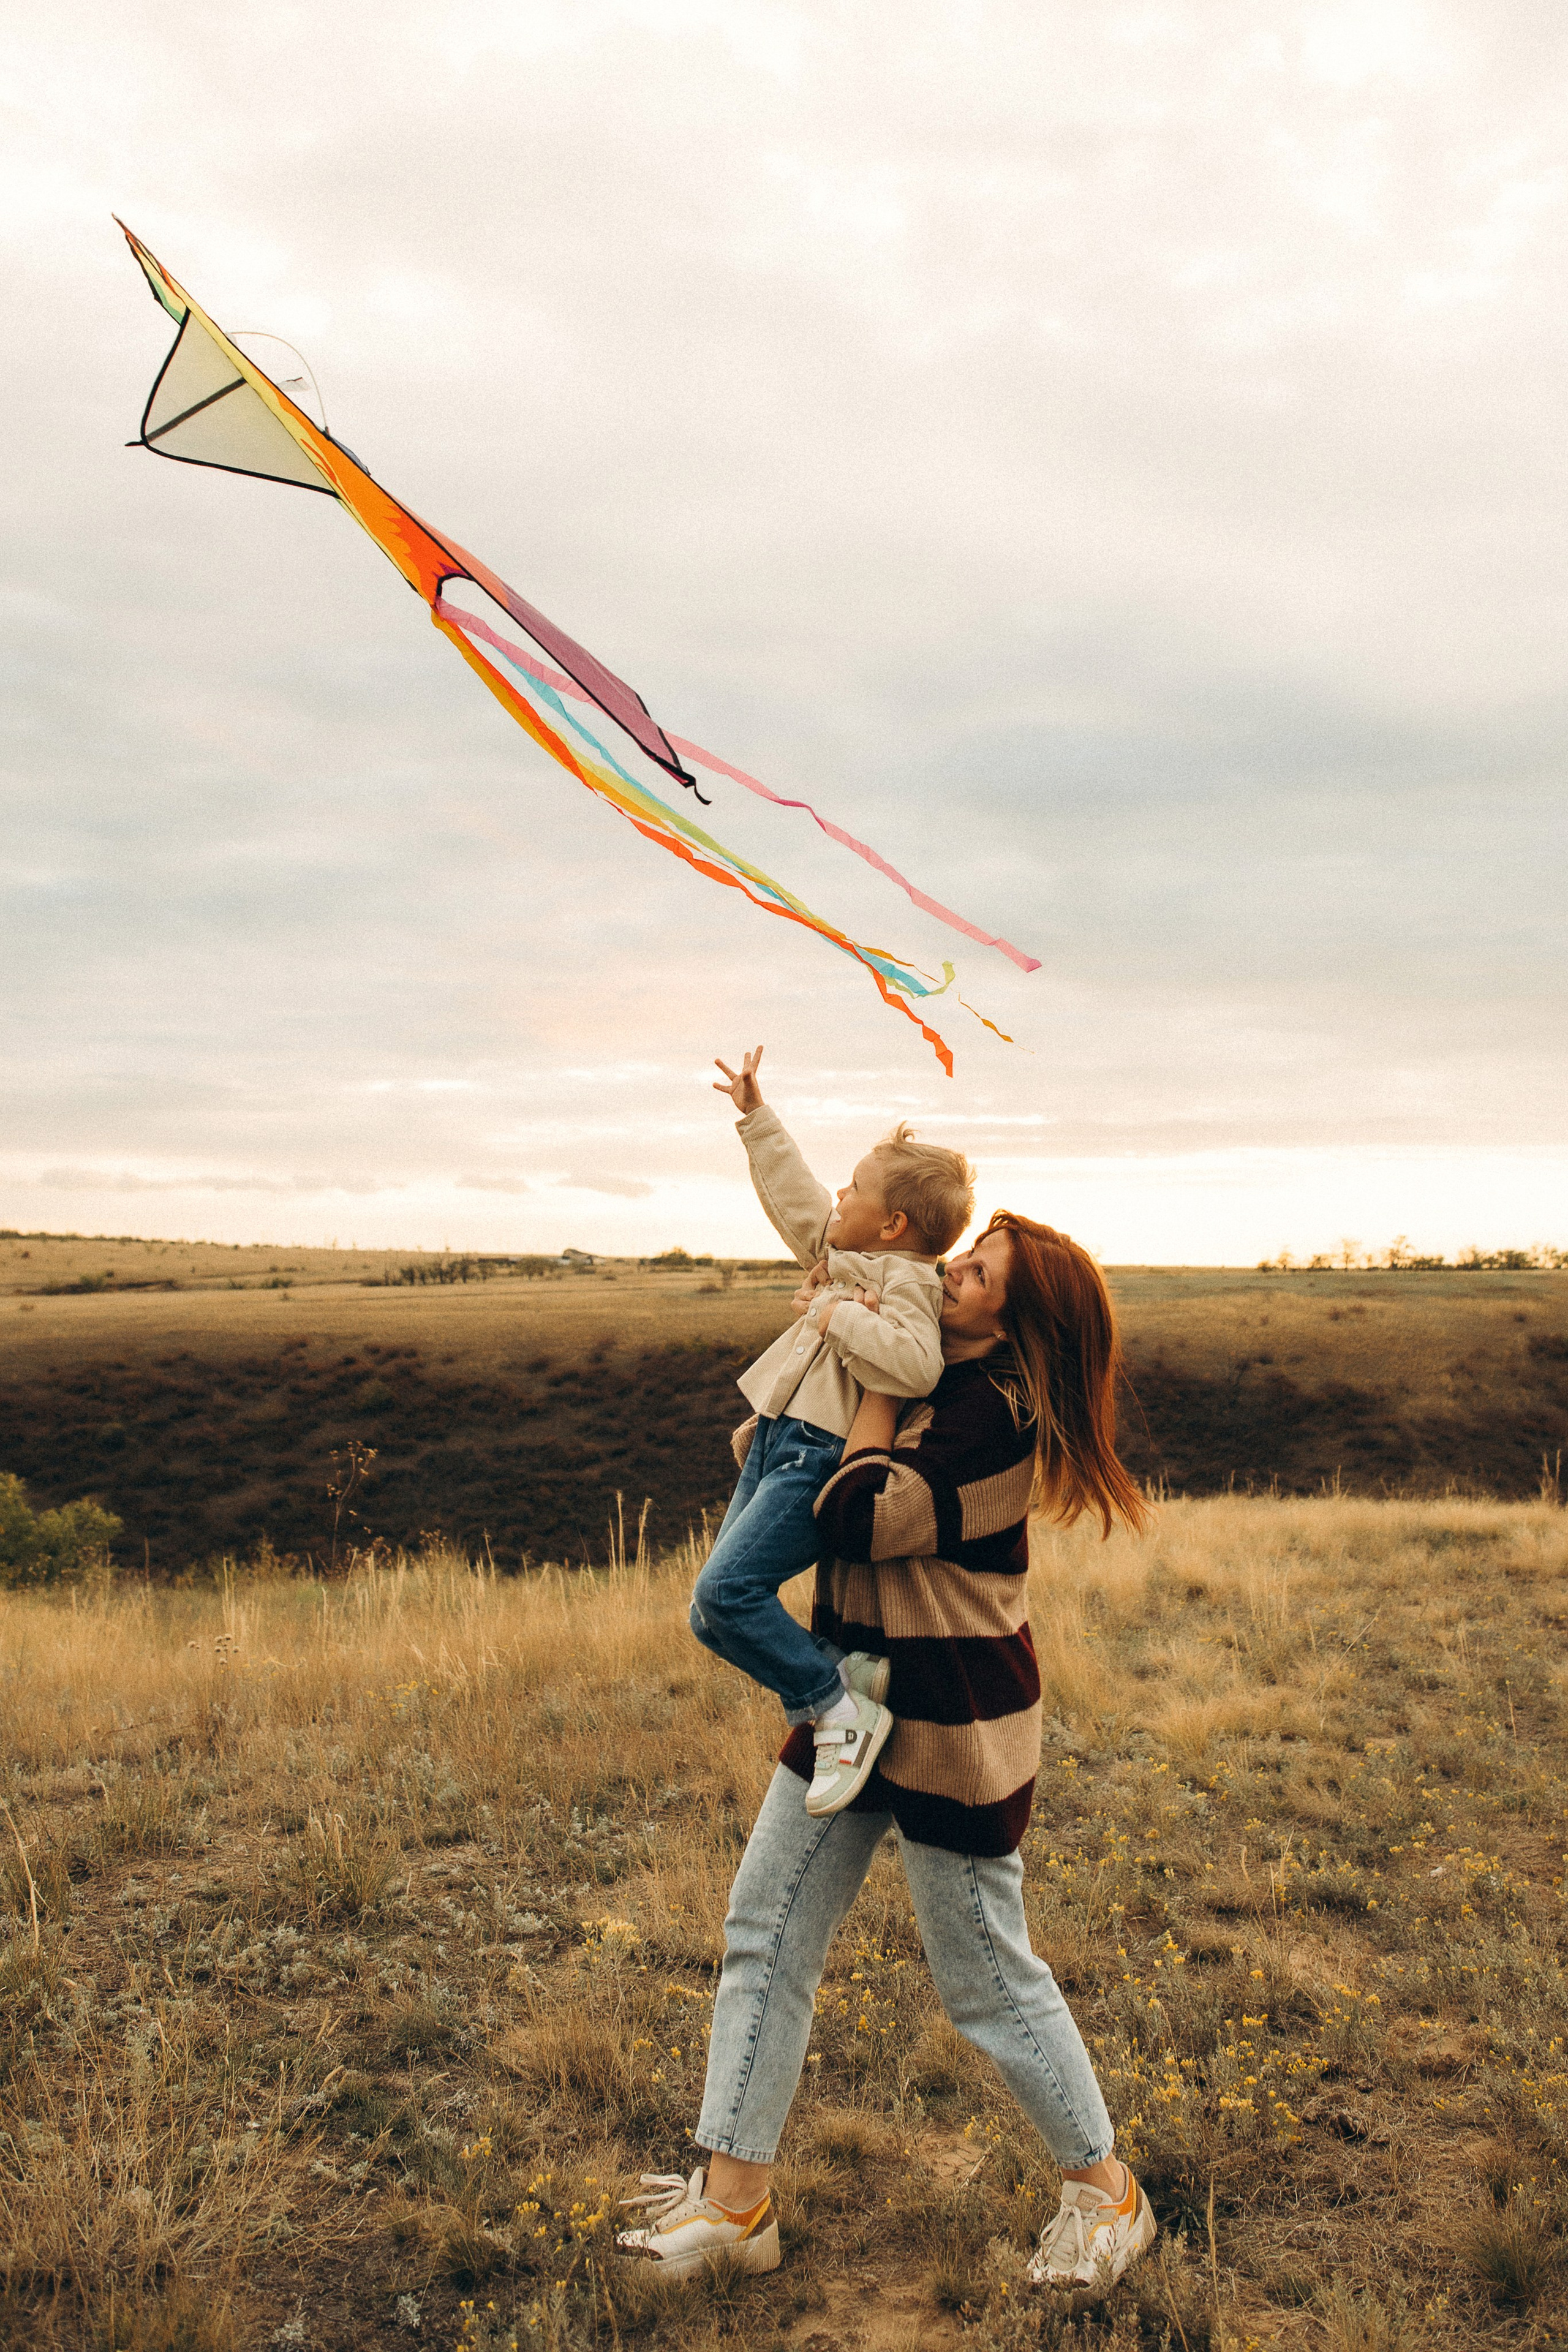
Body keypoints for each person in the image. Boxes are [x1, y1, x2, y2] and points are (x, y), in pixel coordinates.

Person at [619, 1207, 1156, 2296]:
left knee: (985, 1979)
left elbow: (857, 1514)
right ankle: (735, 2203)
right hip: (853, 1696)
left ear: (1017, 1321)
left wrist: (866, 1376)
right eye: (961, 1261)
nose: (948, 1277)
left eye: (974, 1273)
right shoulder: (927, 1376)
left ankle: (1110, 2198)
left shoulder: (992, 1410)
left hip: (953, 1718)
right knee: (764, 1928)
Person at [688, 1045, 975, 1815]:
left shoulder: (908, 1280)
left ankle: (838, 1708)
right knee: (708, 1610)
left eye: (855, 1188)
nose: (838, 1195)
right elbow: (797, 1197)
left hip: (816, 1454)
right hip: (779, 1437)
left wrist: (832, 1310)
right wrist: (756, 1116)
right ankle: (842, 1678)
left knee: (727, 1594)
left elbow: (915, 1368)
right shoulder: (847, 1251)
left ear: (892, 1223)